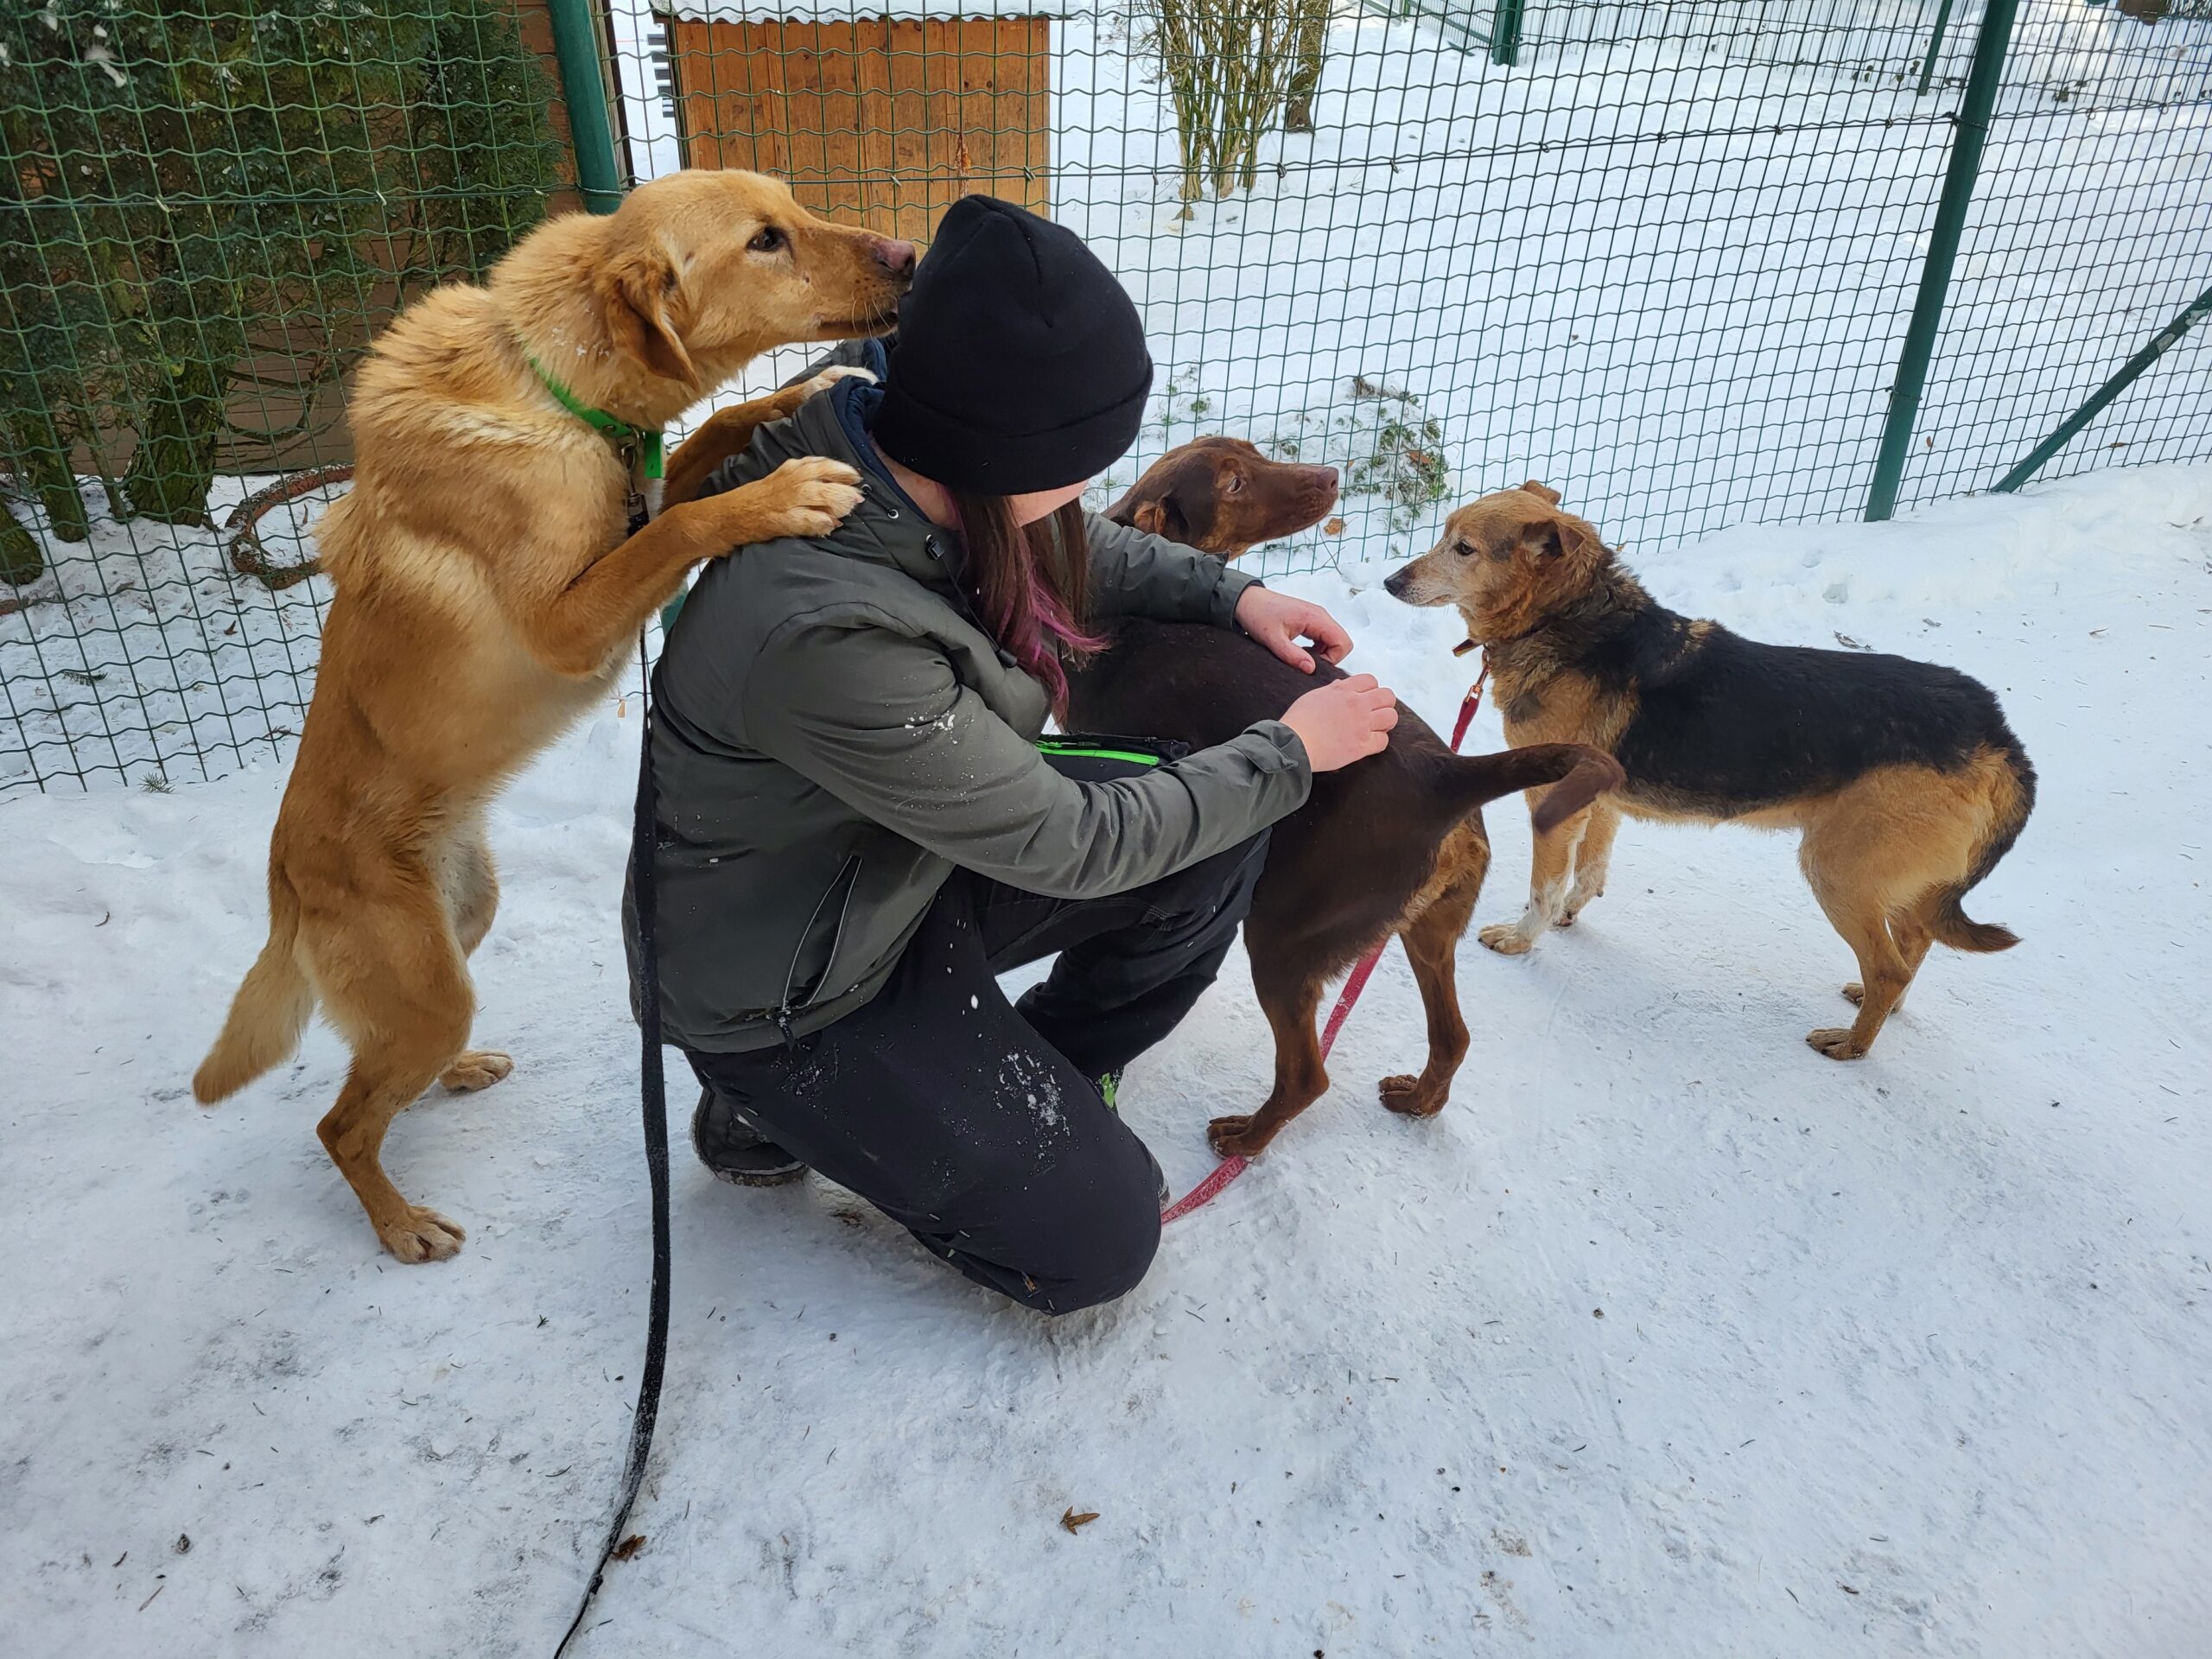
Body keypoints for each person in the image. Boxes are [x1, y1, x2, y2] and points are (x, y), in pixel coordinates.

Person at [626, 196, 1397, 1313]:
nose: (1090, 491)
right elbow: (1066, 843)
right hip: (794, 990)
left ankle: (1047, 1070)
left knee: (1216, 826)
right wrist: (1288, 751)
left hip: (899, 858)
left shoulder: (912, 461)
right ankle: (767, 1105)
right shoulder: (825, 628)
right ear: (1001, 454)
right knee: (1100, 1238)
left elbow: (1082, 551)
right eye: (1080, 462)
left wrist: (1237, 596)